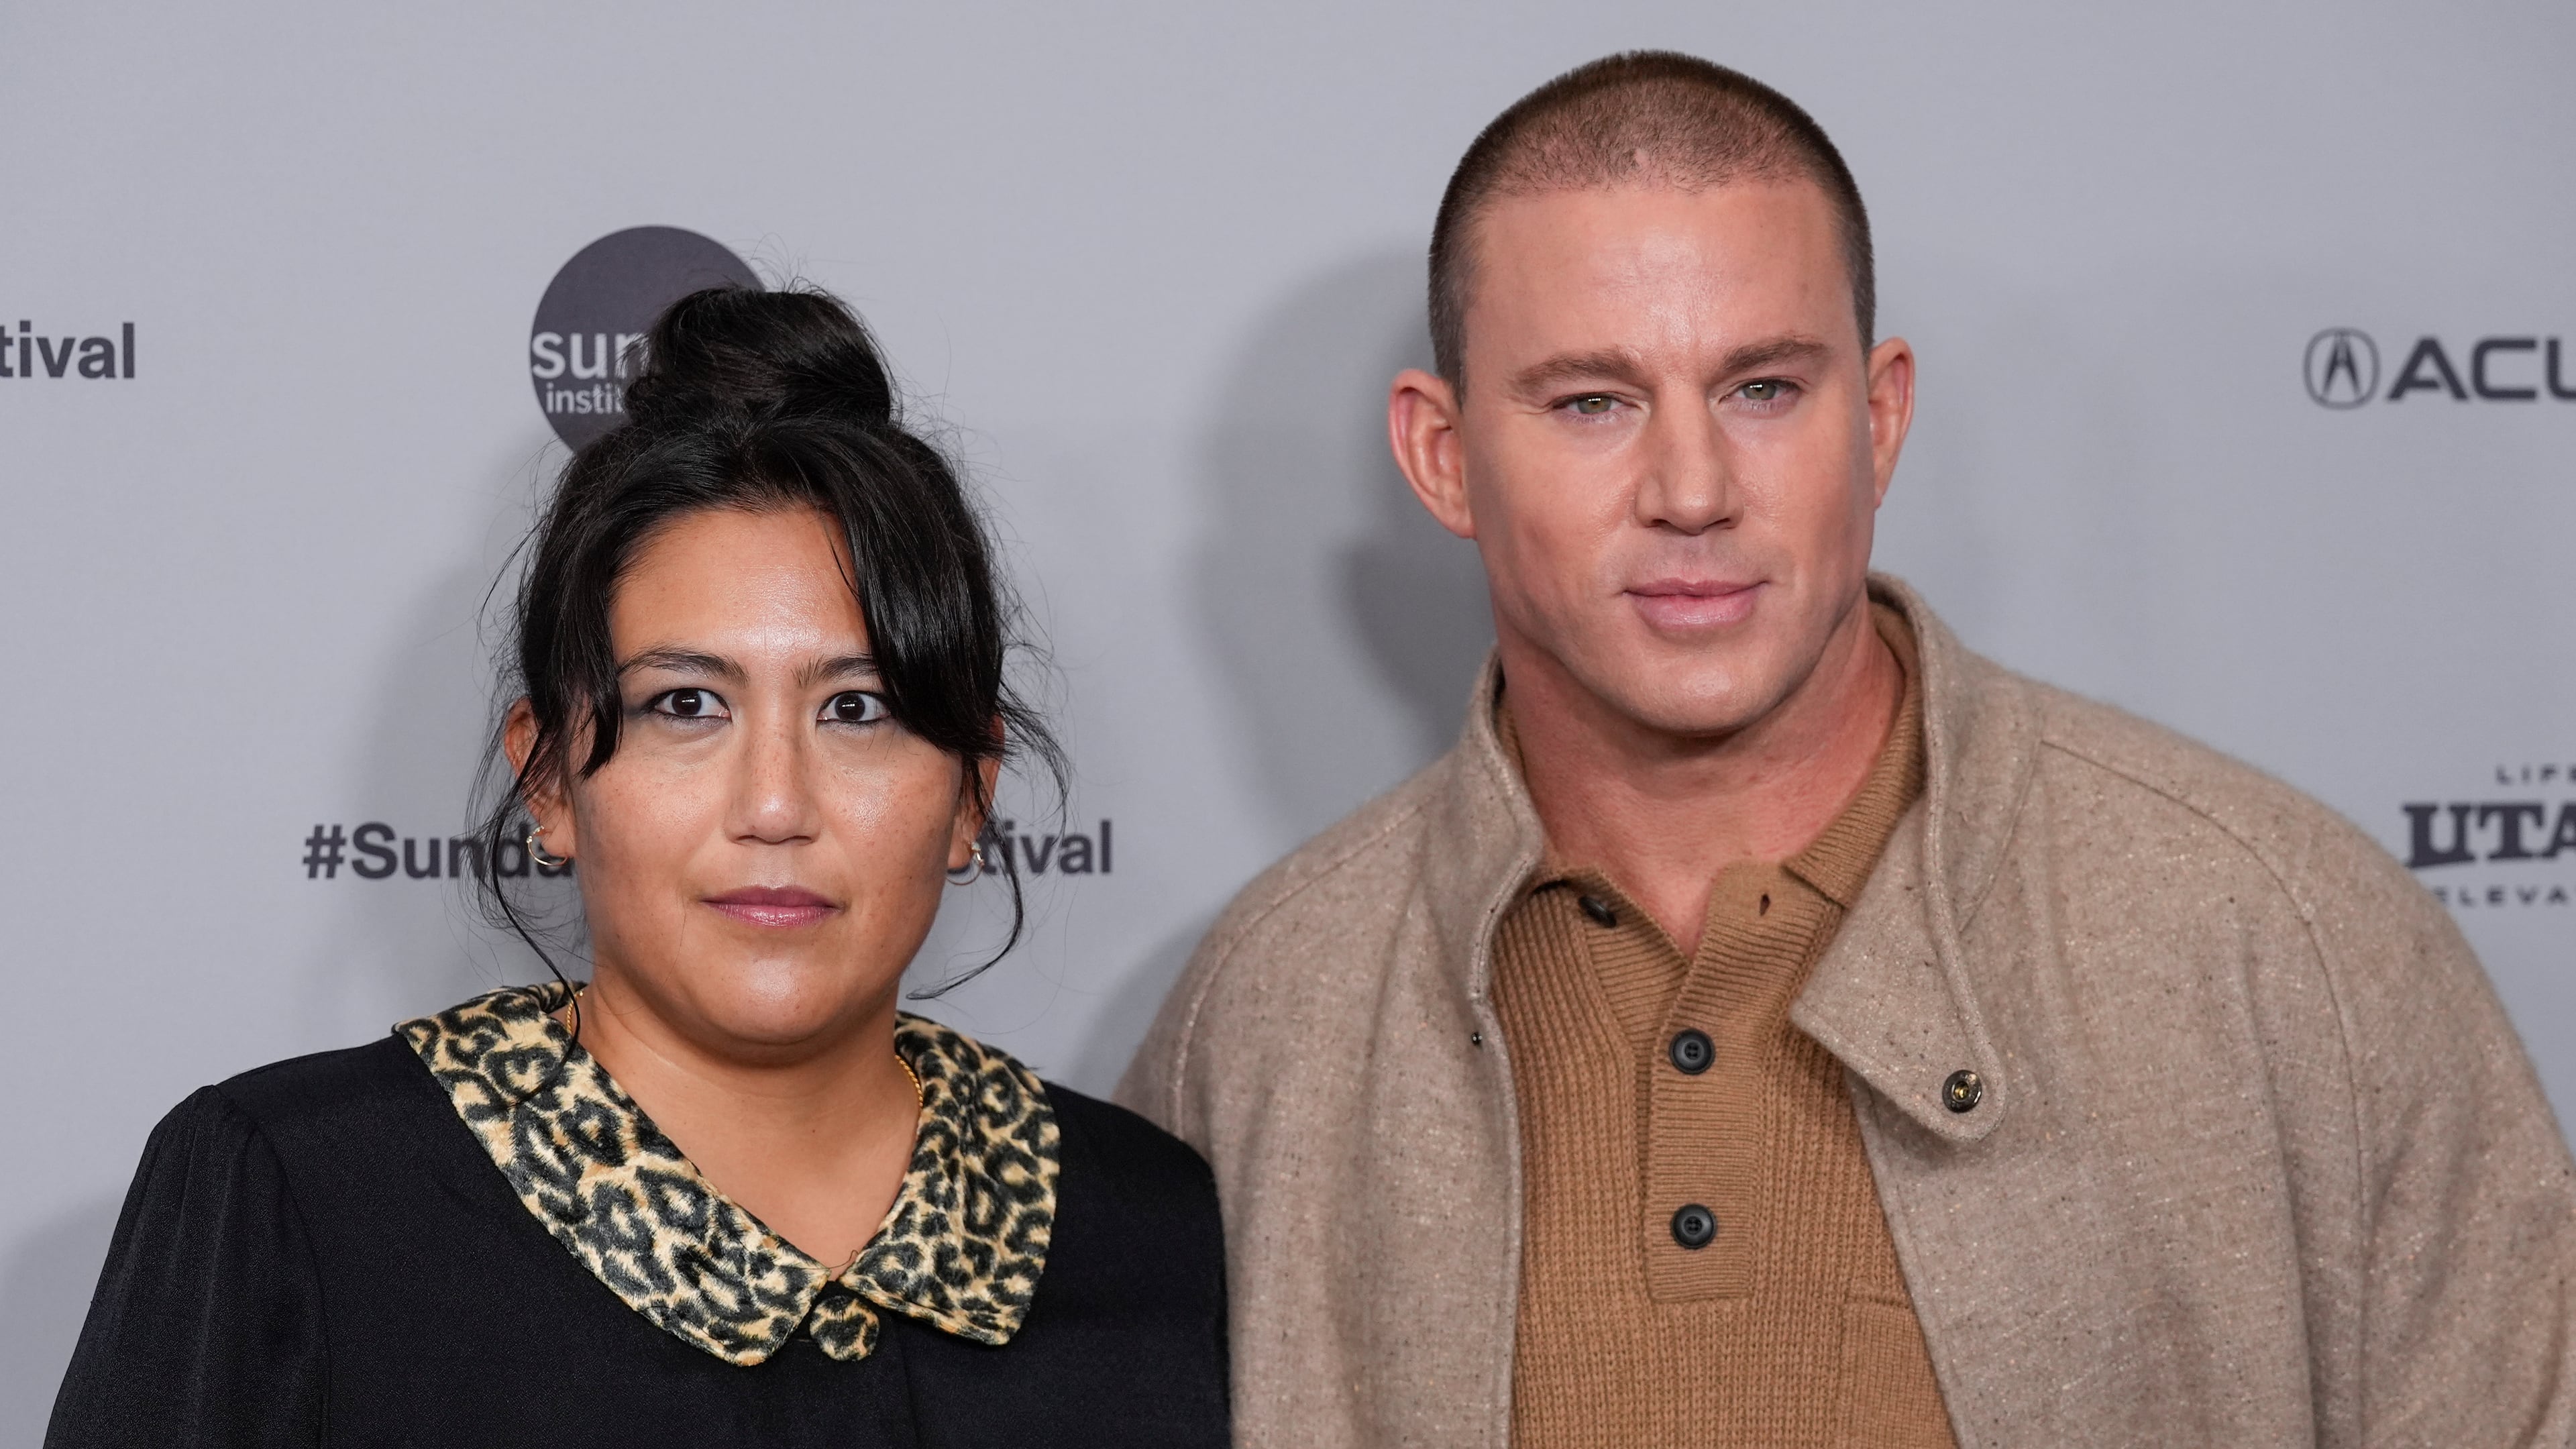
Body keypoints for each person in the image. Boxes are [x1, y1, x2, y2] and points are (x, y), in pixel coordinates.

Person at [1120, 51, 2575, 1449]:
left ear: (1878, 422)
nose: (1691, 489)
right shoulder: (1268, 1026)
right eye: (1591, 402)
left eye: (1763, 389)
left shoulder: (2287, 943)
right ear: (1444, 458)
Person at [50, 286, 1229, 1447]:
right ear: (550, 778)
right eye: (686, 705)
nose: (775, 805)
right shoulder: (299, 1197)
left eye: (859, 709)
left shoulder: (1150, 1226)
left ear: (972, 789)